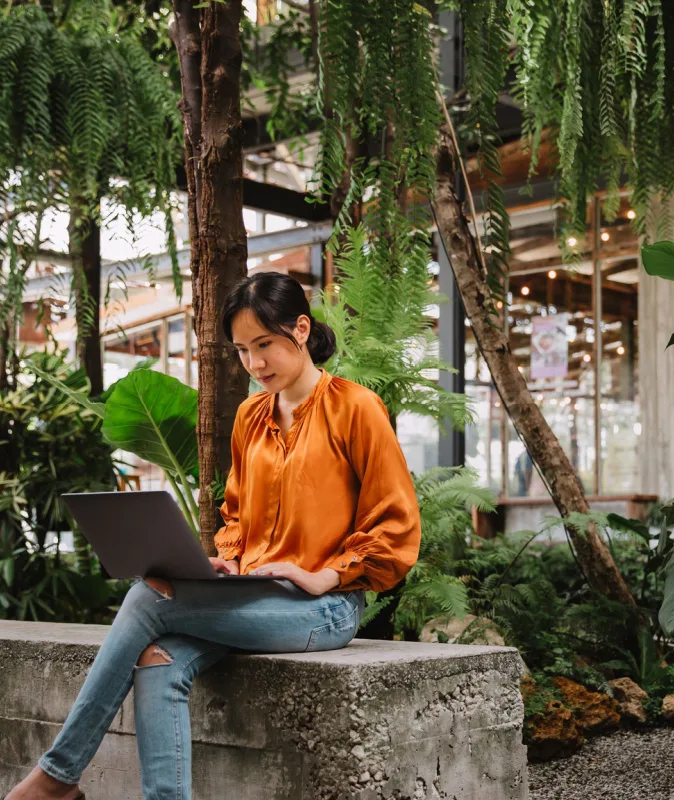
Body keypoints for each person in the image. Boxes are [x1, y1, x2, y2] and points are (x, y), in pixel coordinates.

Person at [8, 272, 421, 800]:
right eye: (243, 350)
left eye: (265, 345)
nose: (254, 364)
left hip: (326, 607)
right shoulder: (250, 417)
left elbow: (397, 524)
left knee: (148, 597)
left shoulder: (355, 408)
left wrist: (321, 576)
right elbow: (237, 515)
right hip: (253, 596)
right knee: (159, 660)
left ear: (300, 328)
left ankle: (57, 778)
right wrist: (223, 560)